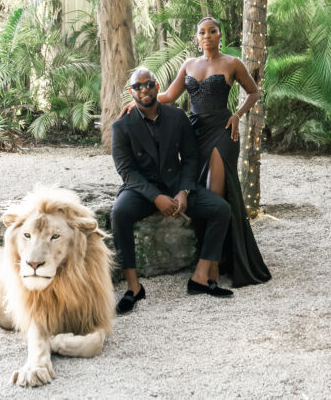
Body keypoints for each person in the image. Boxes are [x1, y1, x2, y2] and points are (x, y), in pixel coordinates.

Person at [120, 17, 272, 287]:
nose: (207, 36)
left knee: (214, 195)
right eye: (202, 32)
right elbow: (168, 96)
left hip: (223, 131)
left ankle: (211, 268)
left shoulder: (232, 63)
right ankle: (214, 260)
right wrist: (137, 103)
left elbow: (254, 93)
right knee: (200, 190)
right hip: (195, 133)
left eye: (212, 31)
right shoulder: (189, 64)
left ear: (220, 35)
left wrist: (237, 115)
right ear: (197, 37)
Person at [110, 67, 235, 314]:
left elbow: (190, 158)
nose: (144, 90)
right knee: (119, 213)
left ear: (157, 87)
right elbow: (126, 171)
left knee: (221, 209)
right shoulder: (121, 126)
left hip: (177, 184)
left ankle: (200, 277)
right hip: (141, 189)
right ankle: (133, 287)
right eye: (137, 86)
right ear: (131, 92)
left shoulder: (177, 117)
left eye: (149, 84)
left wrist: (184, 191)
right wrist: (156, 197)